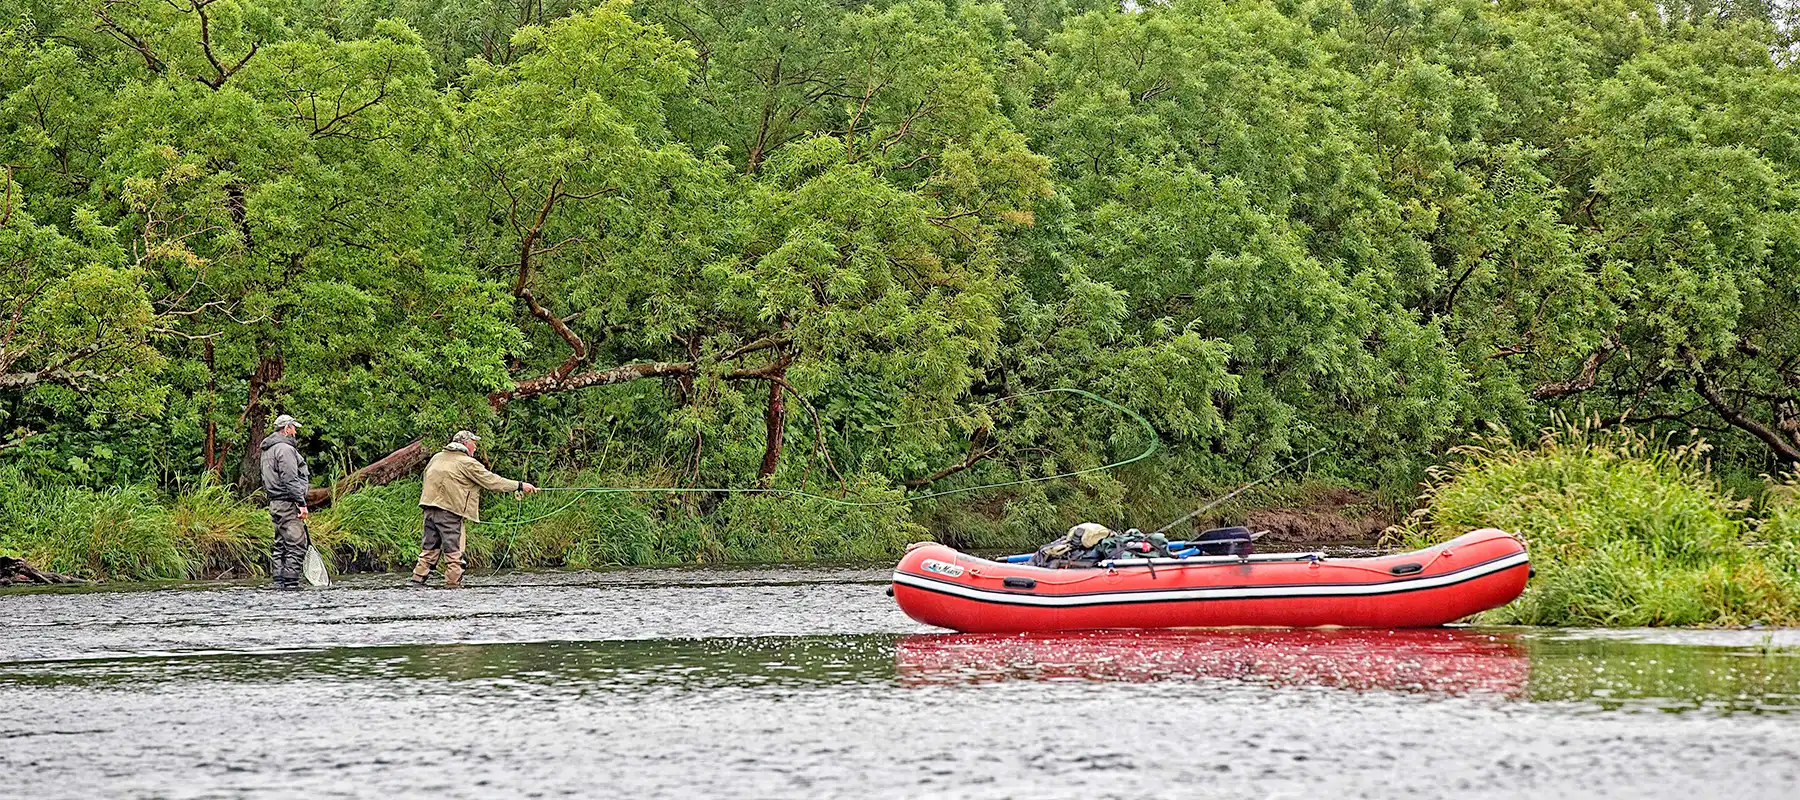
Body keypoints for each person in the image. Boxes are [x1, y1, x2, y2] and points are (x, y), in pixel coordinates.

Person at [413, 430, 538, 588]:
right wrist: (520, 485)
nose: (476, 447)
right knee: (454, 555)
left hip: (429, 509)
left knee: (428, 552)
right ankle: (452, 591)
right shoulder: (467, 462)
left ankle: (416, 585)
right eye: (474, 443)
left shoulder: (437, 457)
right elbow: (492, 481)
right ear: (465, 443)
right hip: (450, 513)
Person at [259, 414, 311, 589]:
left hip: (275, 504)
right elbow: (290, 479)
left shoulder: (267, 450)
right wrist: (301, 503)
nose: (296, 431)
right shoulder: (284, 449)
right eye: (293, 427)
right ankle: (290, 585)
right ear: (286, 428)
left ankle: (279, 584)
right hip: (288, 504)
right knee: (296, 545)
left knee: (280, 545)